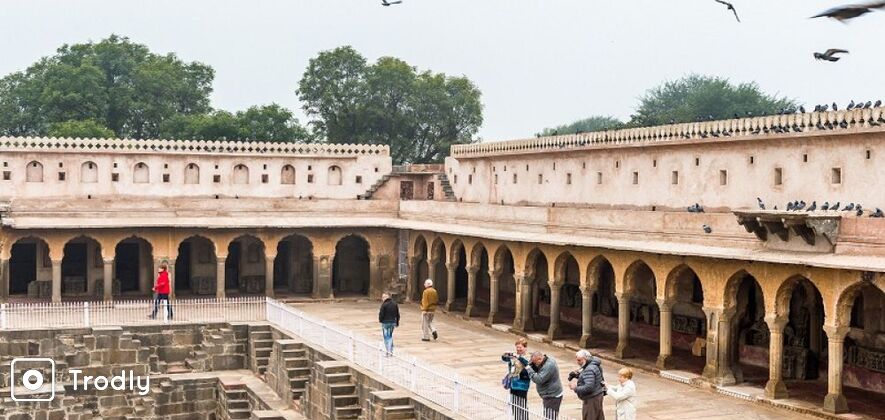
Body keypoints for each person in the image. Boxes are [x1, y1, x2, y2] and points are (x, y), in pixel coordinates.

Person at [525, 351, 563, 419]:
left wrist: (529, 369)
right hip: (548, 394)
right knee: (548, 416)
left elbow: (539, 379)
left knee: (550, 417)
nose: (535, 364)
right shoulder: (544, 362)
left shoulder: (549, 365)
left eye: (535, 362)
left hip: (552, 396)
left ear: (539, 359)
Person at [569, 349, 605, 420]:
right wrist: (577, 375)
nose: (578, 362)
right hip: (597, 395)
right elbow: (591, 378)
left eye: (579, 360)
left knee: (589, 417)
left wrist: (575, 388)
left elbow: (588, 387)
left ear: (585, 359)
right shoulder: (594, 364)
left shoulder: (589, 369)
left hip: (591, 399)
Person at [501, 337, 531, 420]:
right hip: (513, 384)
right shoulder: (514, 356)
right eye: (517, 347)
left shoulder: (529, 357)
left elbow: (528, 371)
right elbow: (504, 359)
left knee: (522, 405)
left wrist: (519, 358)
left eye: (520, 347)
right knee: (514, 404)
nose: (518, 349)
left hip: (522, 385)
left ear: (525, 347)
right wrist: (505, 354)